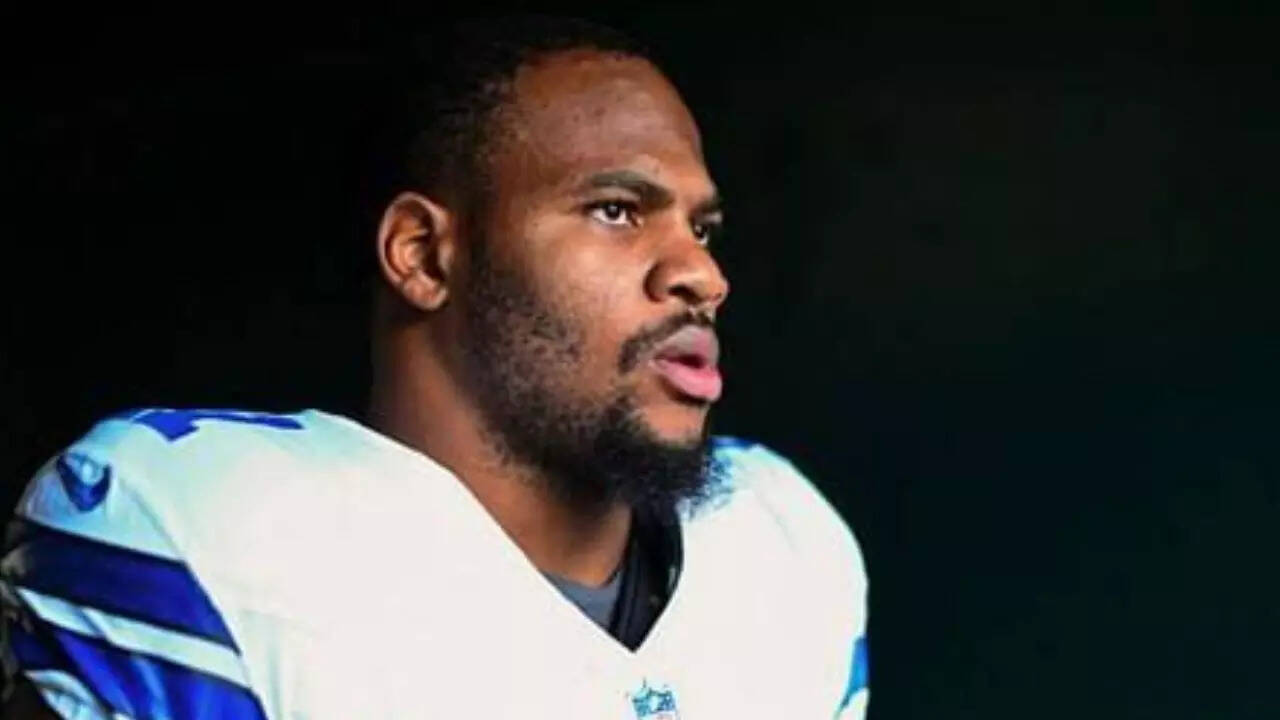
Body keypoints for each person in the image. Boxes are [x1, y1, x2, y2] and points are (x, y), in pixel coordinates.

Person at [1, 15, 868, 719]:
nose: (702, 275)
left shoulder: (783, 544)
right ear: (421, 255)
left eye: (701, 228)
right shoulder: (206, 527)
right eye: (616, 210)